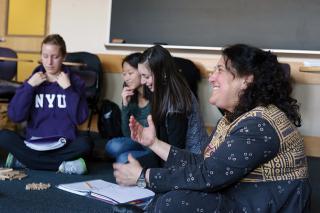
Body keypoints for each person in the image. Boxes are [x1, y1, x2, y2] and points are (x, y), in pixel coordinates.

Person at [113, 44, 311, 212]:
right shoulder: (232, 119)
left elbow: (207, 175)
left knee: (174, 201)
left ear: (246, 80)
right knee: (173, 193)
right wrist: (154, 143)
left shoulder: (259, 124)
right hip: (240, 191)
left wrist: (143, 176)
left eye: (220, 70)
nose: (211, 78)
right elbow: (203, 162)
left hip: (260, 203)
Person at [0, 34, 92, 174]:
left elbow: (80, 118)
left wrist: (68, 89)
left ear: (63, 57)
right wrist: (29, 87)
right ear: (41, 56)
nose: (49, 62)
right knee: (4, 136)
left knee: (86, 143)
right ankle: (63, 165)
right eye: (45, 56)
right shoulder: (32, 80)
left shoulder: (75, 82)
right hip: (34, 144)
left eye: (55, 57)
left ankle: (25, 161)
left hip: (63, 144)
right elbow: (16, 116)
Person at [137, 45, 207, 158]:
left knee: (130, 164)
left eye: (146, 76)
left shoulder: (176, 103)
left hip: (190, 162)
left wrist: (150, 173)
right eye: (141, 76)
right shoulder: (163, 89)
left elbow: (176, 153)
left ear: (163, 73)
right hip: (169, 154)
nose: (142, 81)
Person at [105, 52, 152, 163]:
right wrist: (125, 105)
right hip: (137, 142)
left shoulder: (154, 95)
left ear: (142, 71)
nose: (126, 78)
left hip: (152, 147)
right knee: (111, 146)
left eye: (130, 73)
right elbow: (126, 134)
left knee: (122, 159)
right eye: (124, 74)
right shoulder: (131, 95)